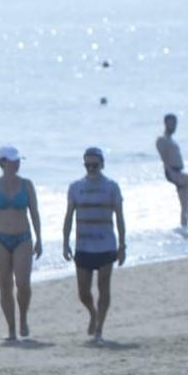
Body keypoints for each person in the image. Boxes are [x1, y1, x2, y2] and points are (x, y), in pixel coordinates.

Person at [0, 146, 42, 341]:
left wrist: (39, 238)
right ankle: (11, 329)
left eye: (18, 160)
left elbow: (34, 213)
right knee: (5, 284)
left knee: (23, 283)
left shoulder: (27, 185)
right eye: (13, 160)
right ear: (3, 162)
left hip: (23, 237)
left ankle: (23, 319)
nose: (16, 164)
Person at [62, 147, 126, 344]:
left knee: (103, 287)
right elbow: (69, 217)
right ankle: (93, 312)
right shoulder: (75, 187)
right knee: (83, 292)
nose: (91, 168)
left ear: (102, 165)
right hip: (83, 245)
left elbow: (120, 218)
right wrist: (65, 242)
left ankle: (99, 329)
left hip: (106, 244)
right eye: (87, 165)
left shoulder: (111, 187)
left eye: (95, 165)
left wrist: (122, 245)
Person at [155, 113, 188, 231]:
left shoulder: (171, 140)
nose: (174, 126)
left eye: (175, 124)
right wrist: (170, 171)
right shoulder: (162, 139)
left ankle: (184, 228)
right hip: (172, 172)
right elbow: (163, 157)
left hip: (177, 170)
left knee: (183, 202)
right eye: (172, 123)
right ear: (166, 123)